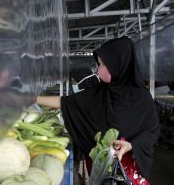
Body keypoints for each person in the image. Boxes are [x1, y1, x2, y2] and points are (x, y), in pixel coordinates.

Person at [37, 36, 160, 184]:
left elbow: (152, 131)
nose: (99, 69)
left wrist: (132, 145)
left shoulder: (142, 99)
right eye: (99, 64)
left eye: (103, 64)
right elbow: (68, 103)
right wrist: (33, 99)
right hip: (99, 167)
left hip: (128, 170)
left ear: (118, 64)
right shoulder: (100, 92)